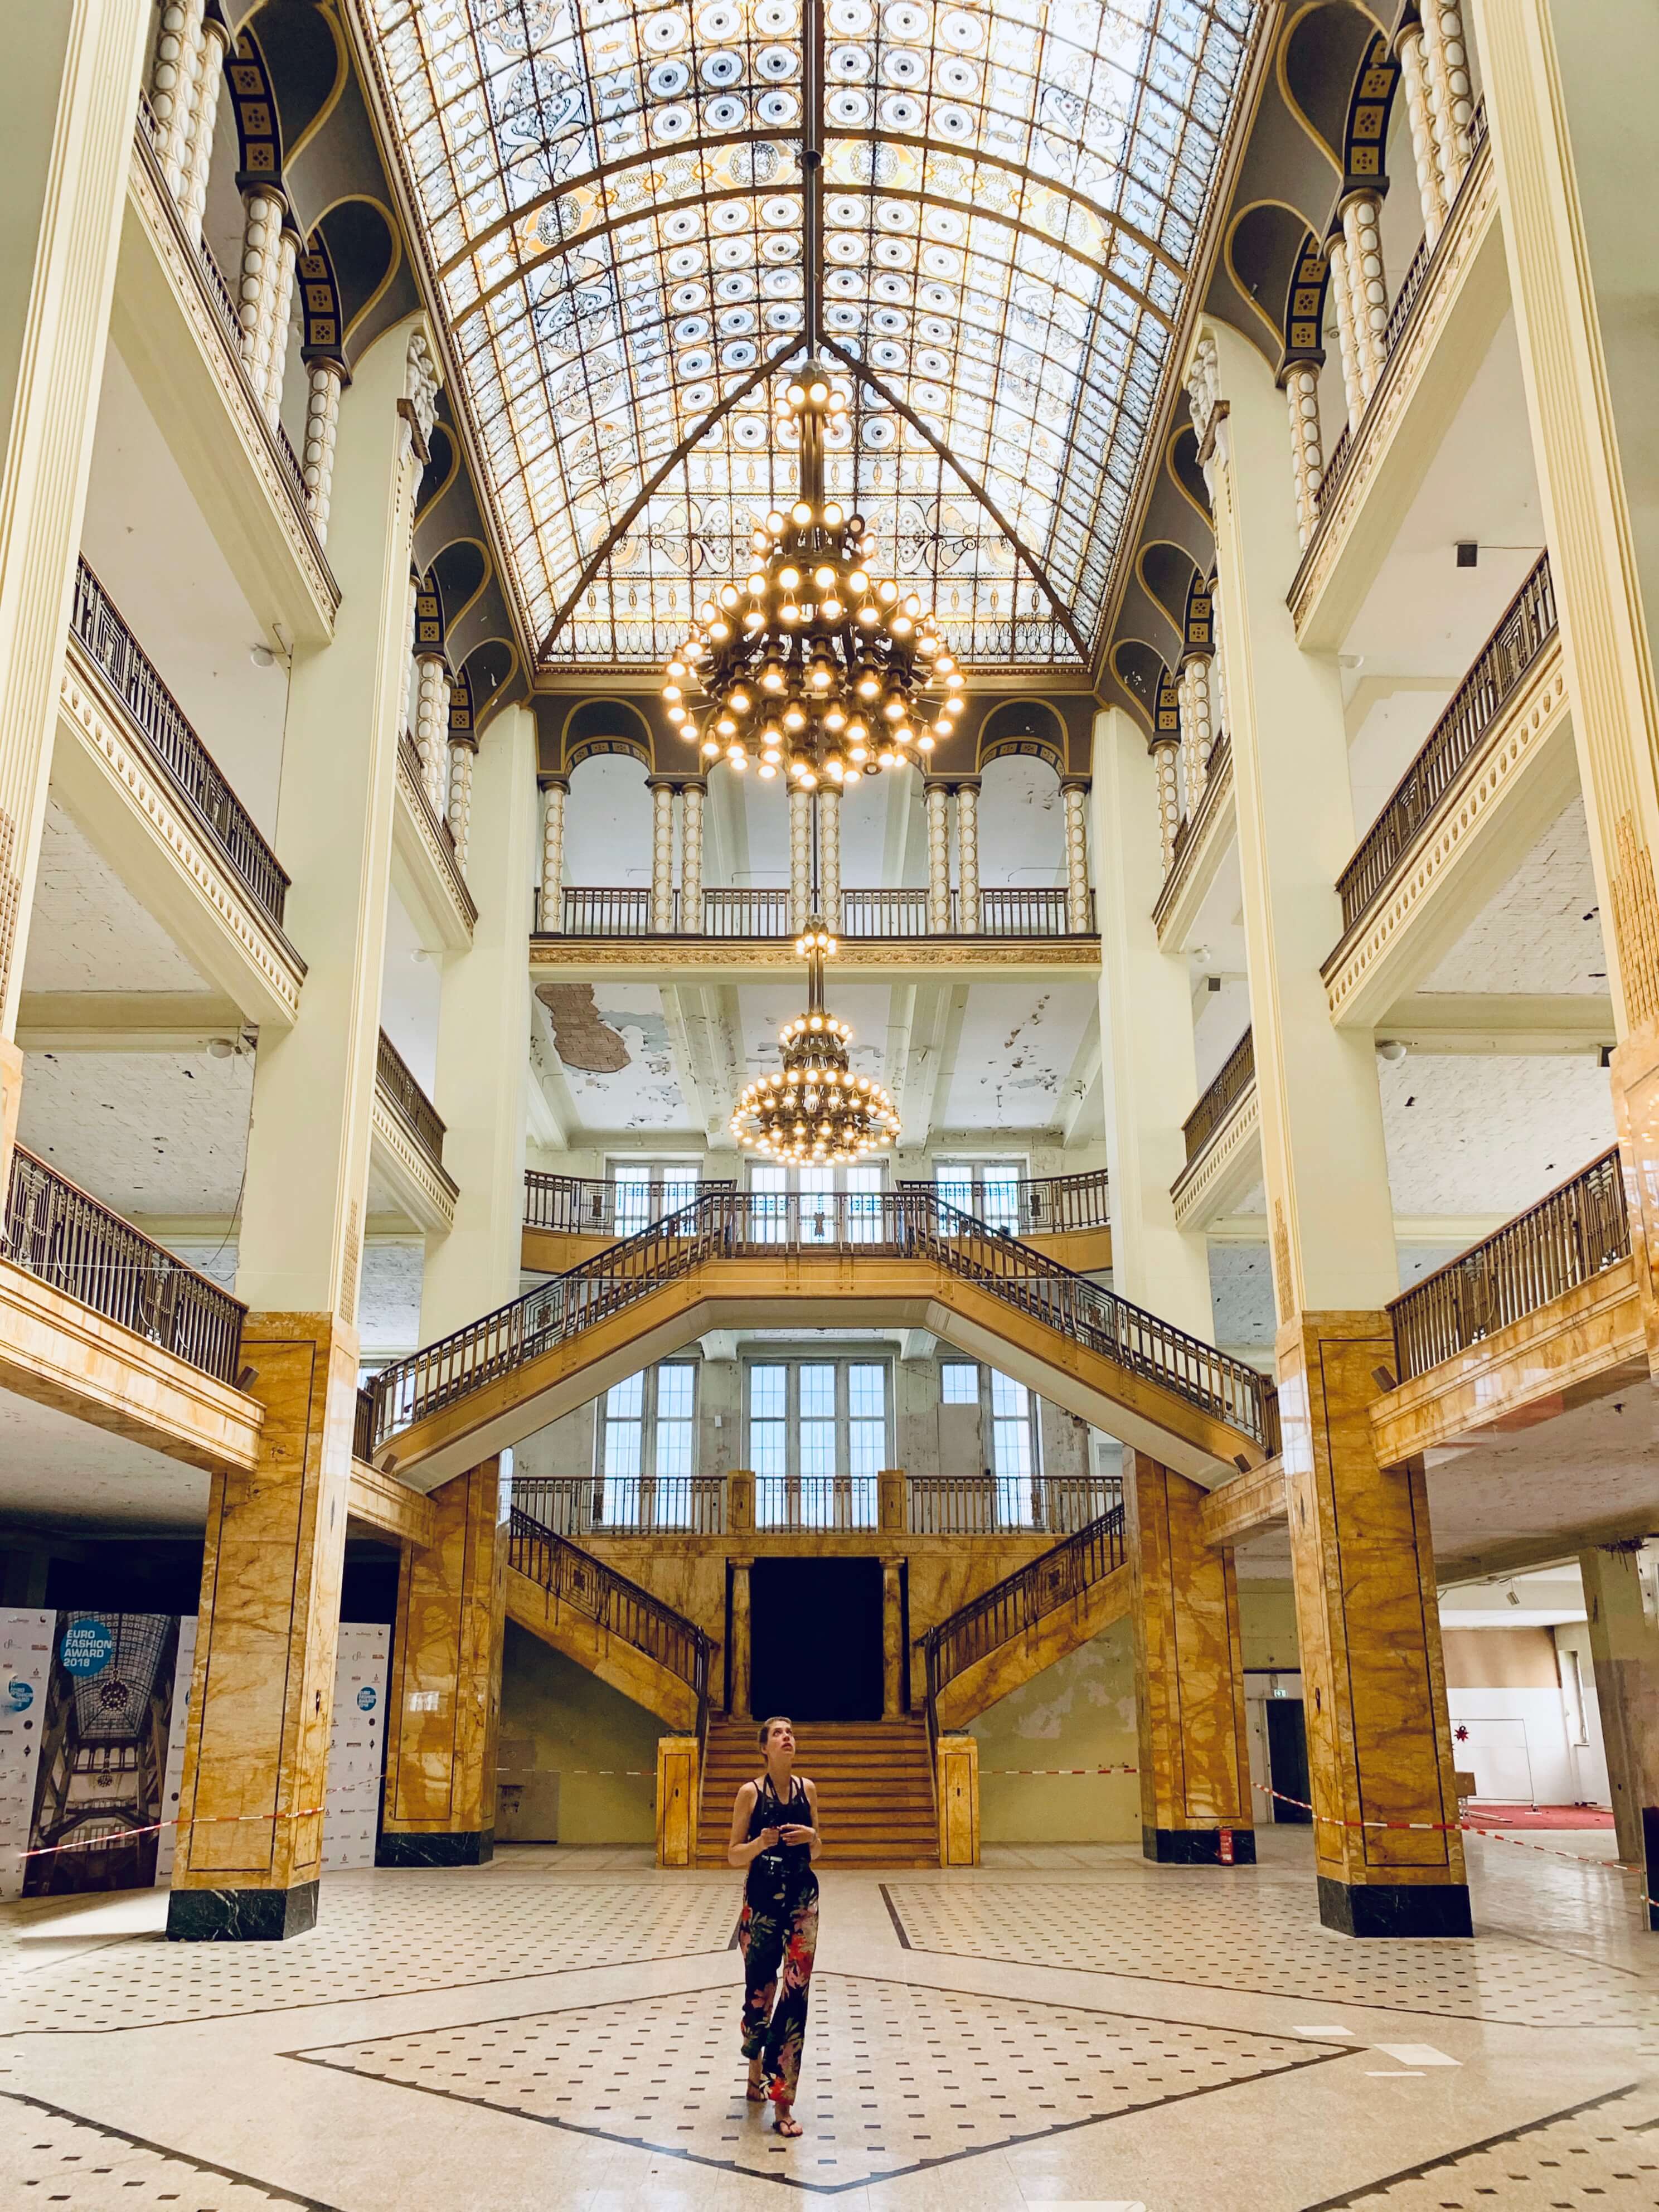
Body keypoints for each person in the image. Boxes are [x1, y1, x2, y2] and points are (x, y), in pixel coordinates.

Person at [727, 1714, 820, 2138]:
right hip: (761, 1904)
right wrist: (759, 1844)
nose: (787, 1738)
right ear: (764, 1747)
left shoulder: (808, 1790)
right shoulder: (750, 1793)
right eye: (779, 1733)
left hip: (802, 1901)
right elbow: (732, 1855)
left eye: (790, 1732)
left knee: (796, 1994)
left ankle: (783, 2100)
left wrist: (812, 1839)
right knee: (760, 1992)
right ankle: (753, 2070)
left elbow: (818, 1850)